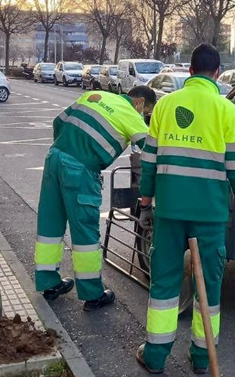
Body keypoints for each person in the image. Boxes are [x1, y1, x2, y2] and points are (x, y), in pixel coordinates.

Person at [136, 43, 235, 374]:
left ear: (189, 71)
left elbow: (149, 163)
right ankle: (202, 358)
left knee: (164, 284)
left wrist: (145, 204)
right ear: (217, 73)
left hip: (170, 212)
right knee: (208, 287)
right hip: (210, 216)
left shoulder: (165, 105)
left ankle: (156, 356)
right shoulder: (227, 111)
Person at [35, 86, 156, 311]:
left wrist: (66, 149)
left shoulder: (93, 96)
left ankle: (49, 284)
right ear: (139, 102)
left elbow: (57, 122)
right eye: (146, 111)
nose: (144, 116)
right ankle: (93, 295)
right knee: (85, 232)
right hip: (80, 170)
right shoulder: (131, 114)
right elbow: (150, 151)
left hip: (54, 158)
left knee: (50, 225)